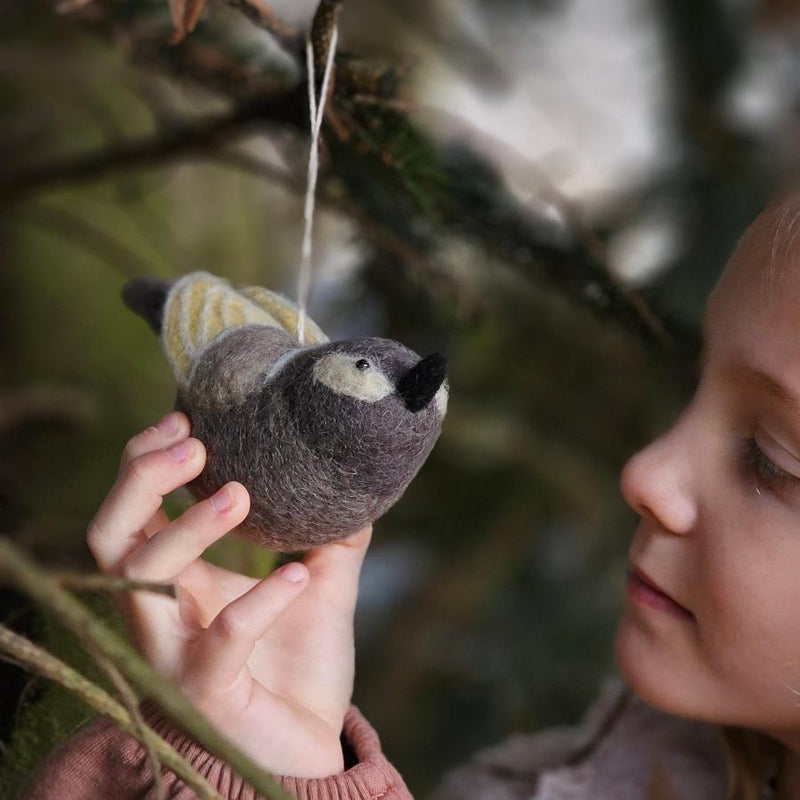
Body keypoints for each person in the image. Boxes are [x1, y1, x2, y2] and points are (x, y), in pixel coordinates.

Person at [19, 193, 800, 800]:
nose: (645, 474)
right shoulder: (586, 770)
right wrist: (261, 763)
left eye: (774, 459)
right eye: (696, 390)